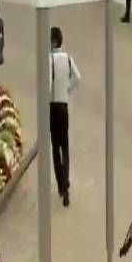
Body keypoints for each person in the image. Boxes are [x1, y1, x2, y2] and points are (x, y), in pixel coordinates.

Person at [49, 26, 81, 207]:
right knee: (65, 146)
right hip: (64, 106)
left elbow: (47, 86)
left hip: (53, 106)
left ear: (53, 41)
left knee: (55, 147)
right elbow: (78, 78)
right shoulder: (68, 59)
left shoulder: (50, 60)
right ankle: (66, 180)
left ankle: (61, 183)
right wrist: (68, 92)